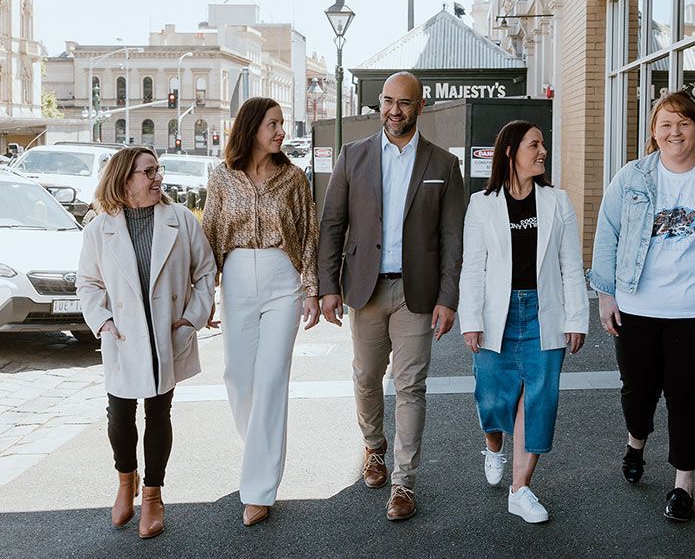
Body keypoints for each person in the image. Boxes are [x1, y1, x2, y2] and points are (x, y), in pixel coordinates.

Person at [588, 89, 695, 523]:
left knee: (685, 396)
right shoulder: (631, 178)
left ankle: (683, 486)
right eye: (665, 124)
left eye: (683, 123)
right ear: (653, 131)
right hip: (637, 307)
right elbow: (606, 234)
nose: (675, 132)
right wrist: (606, 295)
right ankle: (636, 442)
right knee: (638, 391)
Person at [317, 71, 464, 521]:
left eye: (404, 102)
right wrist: (328, 287)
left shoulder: (442, 165)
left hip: (416, 293)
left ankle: (404, 483)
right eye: (387, 101)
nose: (394, 110)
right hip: (366, 288)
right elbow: (332, 225)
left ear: (421, 107)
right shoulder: (353, 156)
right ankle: (373, 447)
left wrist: (449, 297)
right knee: (365, 378)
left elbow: (452, 236)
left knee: (410, 386)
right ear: (379, 104)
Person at [76, 147, 216, 539]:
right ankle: (126, 481)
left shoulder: (181, 220)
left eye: (159, 169)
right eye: (149, 172)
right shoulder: (98, 229)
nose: (159, 178)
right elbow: (87, 283)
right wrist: (102, 322)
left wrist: (192, 318)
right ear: (125, 180)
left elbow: (205, 272)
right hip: (121, 336)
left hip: (166, 333)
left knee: (158, 412)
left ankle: (153, 495)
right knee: (119, 416)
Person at [457, 120, 589, 523]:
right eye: (535, 144)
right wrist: (471, 319)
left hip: (542, 311)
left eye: (544, 144)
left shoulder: (557, 201)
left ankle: (521, 490)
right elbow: (473, 268)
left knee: (540, 398)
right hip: (498, 312)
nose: (542, 151)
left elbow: (570, 264)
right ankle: (493, 445)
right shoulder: (482, 204)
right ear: (511, 151)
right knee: (493, 397)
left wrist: (577, 318)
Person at [202, 96, 320, 527]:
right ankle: (259, 449)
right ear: (251, 127)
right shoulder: (222, 178)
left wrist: (310, 289)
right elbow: (209, 234)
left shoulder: (293, 178)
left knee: (270, 380)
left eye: (282, 124)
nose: (281, 131)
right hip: (234, 277)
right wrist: (205, 295)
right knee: (238, 376)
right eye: (273, 124)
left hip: (281, 277)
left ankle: (258, 488)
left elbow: (309, 233)